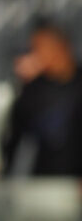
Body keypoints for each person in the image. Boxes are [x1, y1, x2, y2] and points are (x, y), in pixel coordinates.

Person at [5, 18, 82, 177]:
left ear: (59, 46)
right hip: (45, 184)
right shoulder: (32, 91)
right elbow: (14, 138)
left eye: (38, 48)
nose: (35, 55)